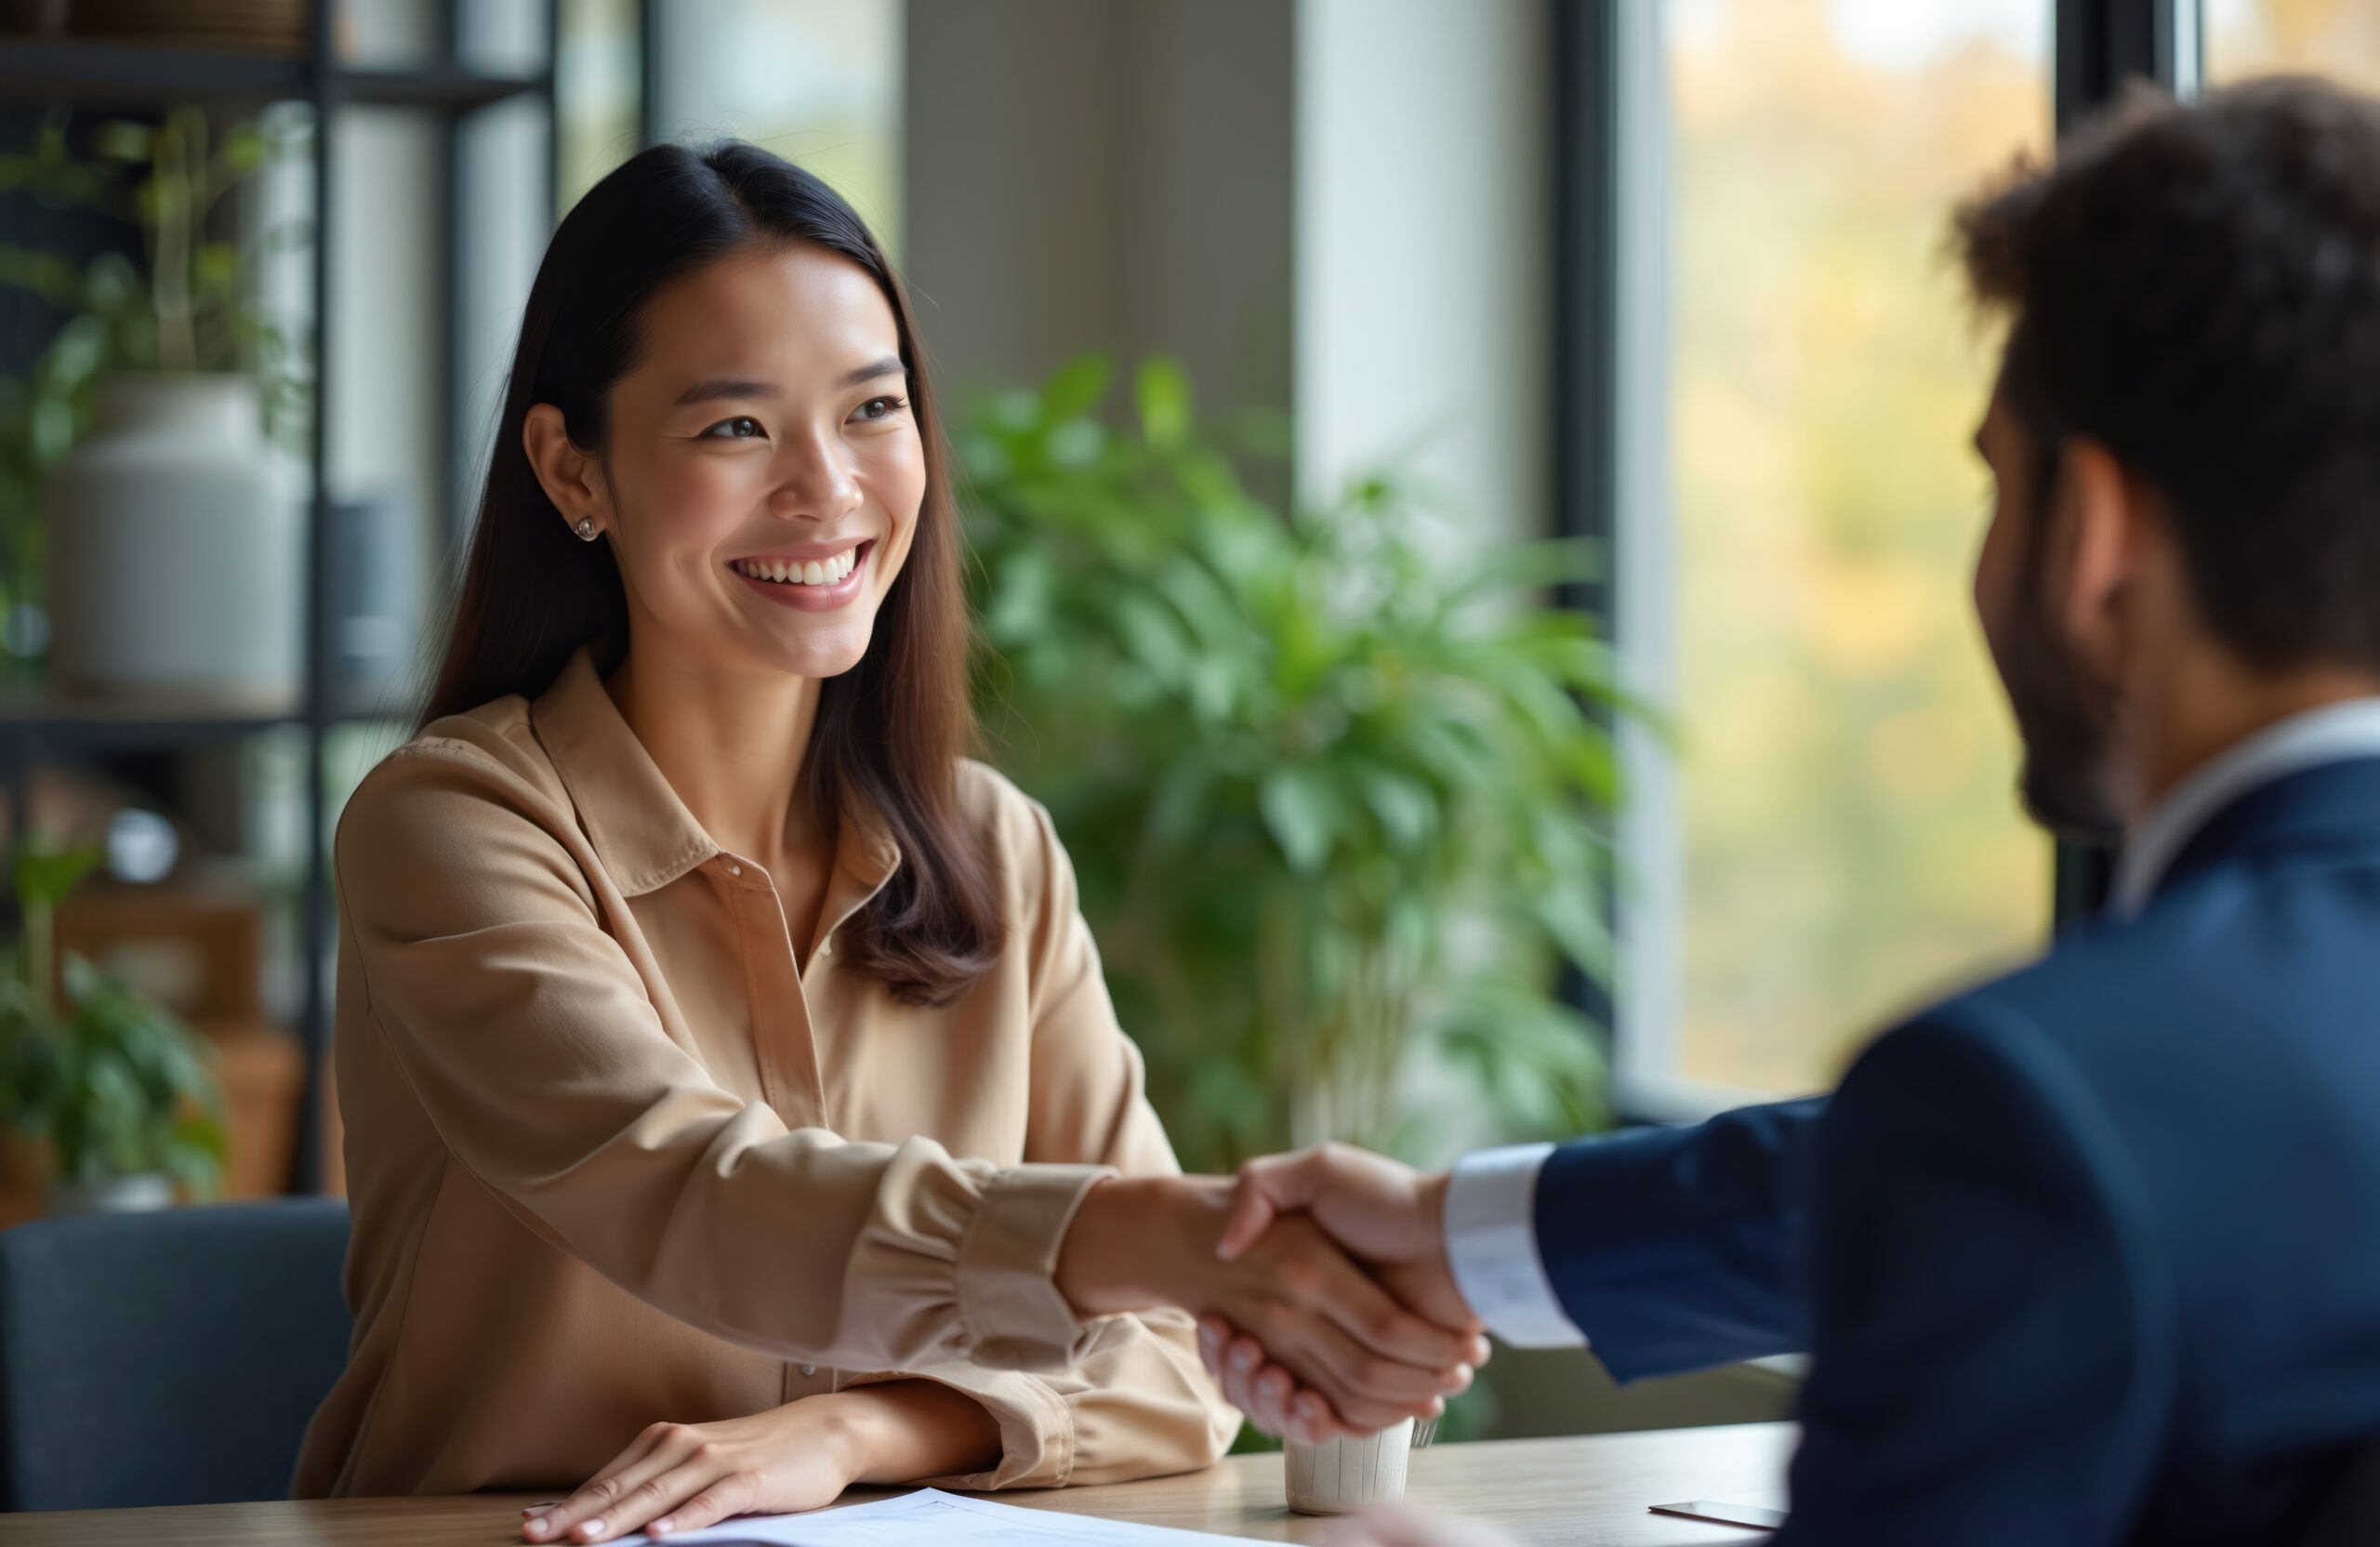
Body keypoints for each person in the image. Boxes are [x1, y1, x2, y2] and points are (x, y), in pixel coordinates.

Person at [1203, 76, 2380, 1545]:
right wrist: (1461, 1238)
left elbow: (2049, 1164)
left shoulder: (2045, 1098)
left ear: (2097, 531)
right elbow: (2046, 1191)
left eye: (1994, 486)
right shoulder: (2101, 1110)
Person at [289, 140, 1484, 1539]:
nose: (829, 490)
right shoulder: (453, 827)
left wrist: (861, 1430)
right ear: (575, 471)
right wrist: (1161, 1239)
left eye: (872, 409)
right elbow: (691, 1190)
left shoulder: (993, 849)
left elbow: (1171, 1367)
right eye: (736, 428)